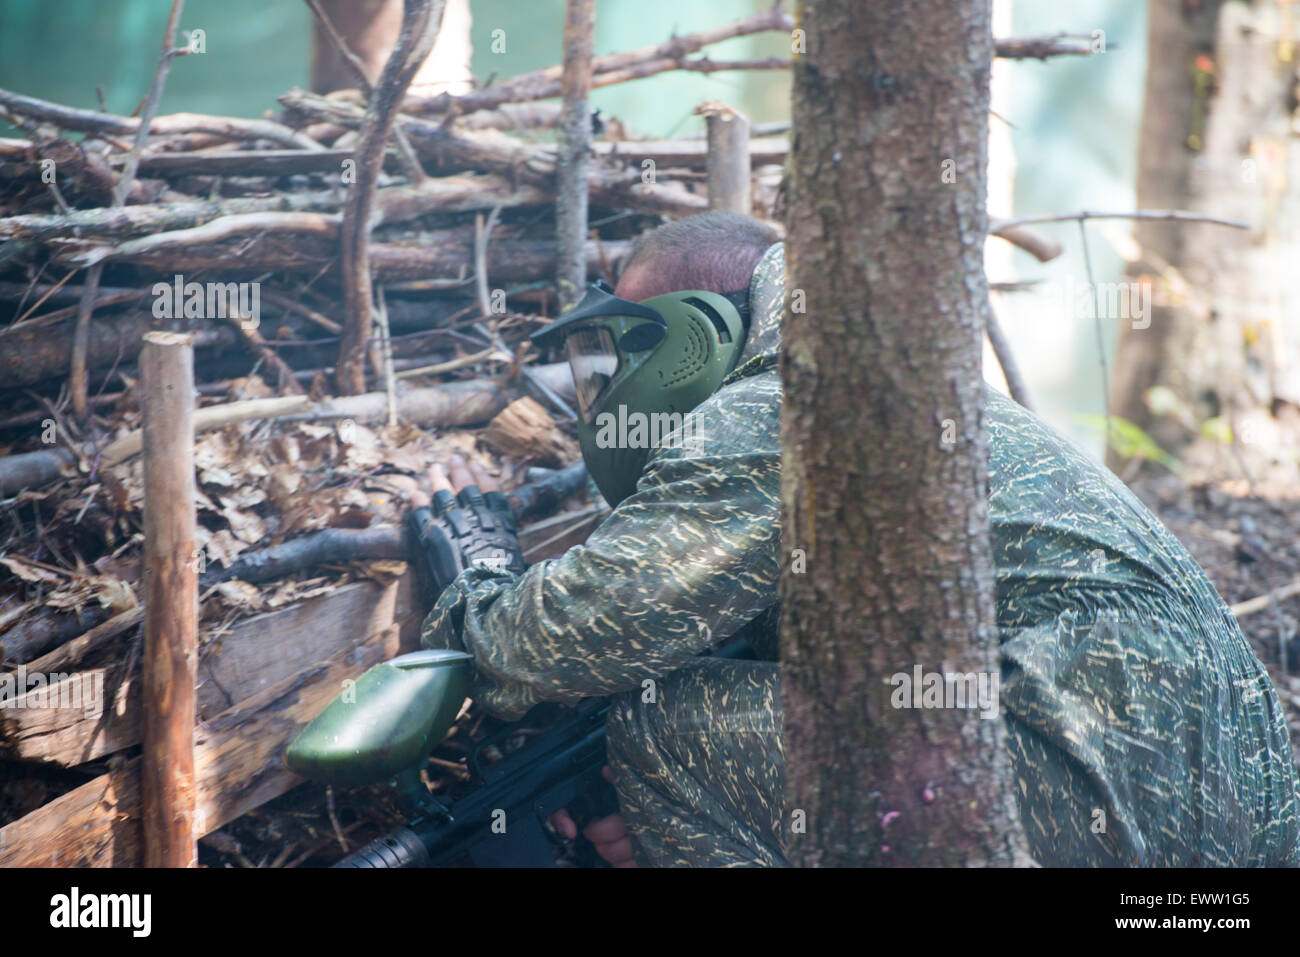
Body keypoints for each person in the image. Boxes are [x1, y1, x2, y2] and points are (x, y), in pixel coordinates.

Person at [410, 211, 1300, 867]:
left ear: (700, 330)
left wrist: (478, 573)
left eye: (630, 348)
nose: (614, 393)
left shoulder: (788, 394)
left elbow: (564, 641)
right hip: (1233, 841)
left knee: (665, 729)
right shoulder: (879, 366)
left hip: (1086, 789)